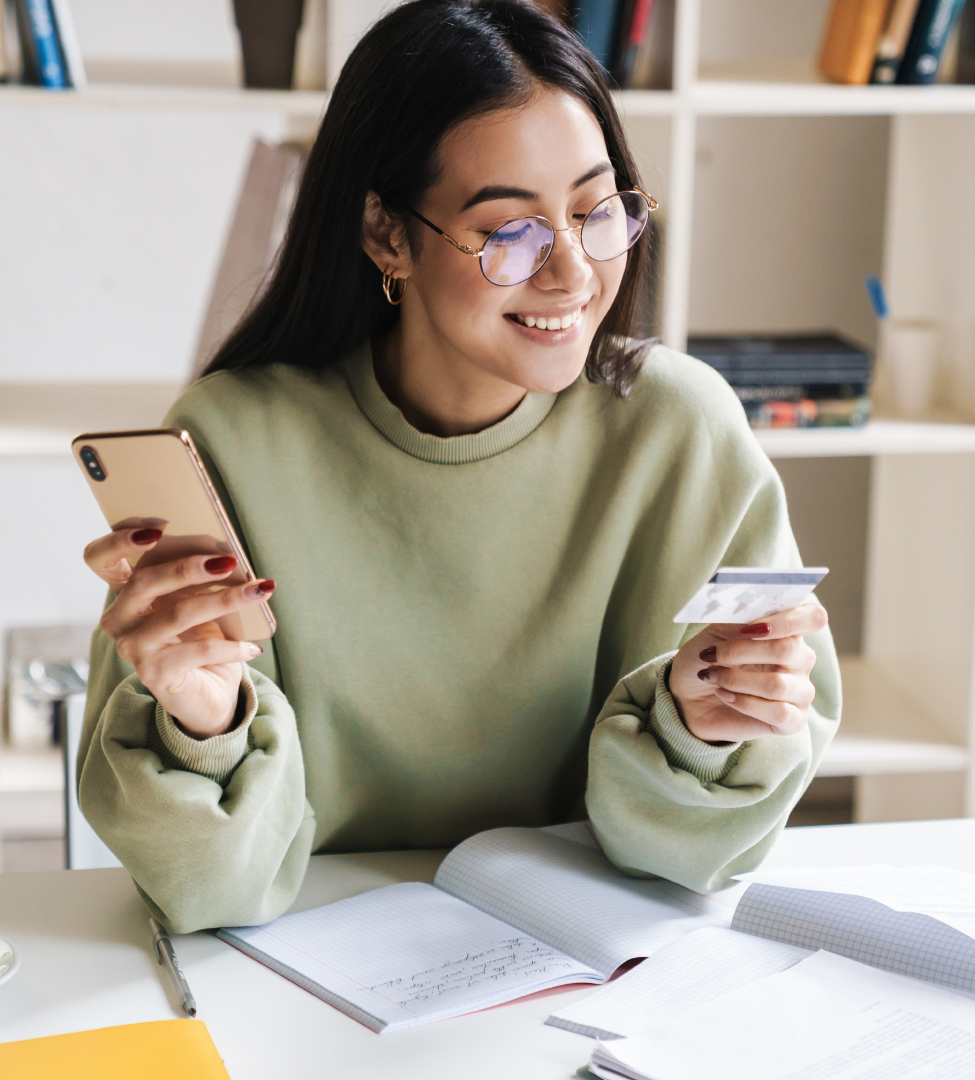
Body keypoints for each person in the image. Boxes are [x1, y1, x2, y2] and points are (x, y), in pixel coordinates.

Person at [76, 0, 838, 933]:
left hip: (591, 963)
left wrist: (706, 730)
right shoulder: (234, 439)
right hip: (307, 967)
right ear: (386, 235)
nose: (573, 274)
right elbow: (212, 891)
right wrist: (202, 722)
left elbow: (689, 866)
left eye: (598, 212)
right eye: (510, 232)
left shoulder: (681, 433)